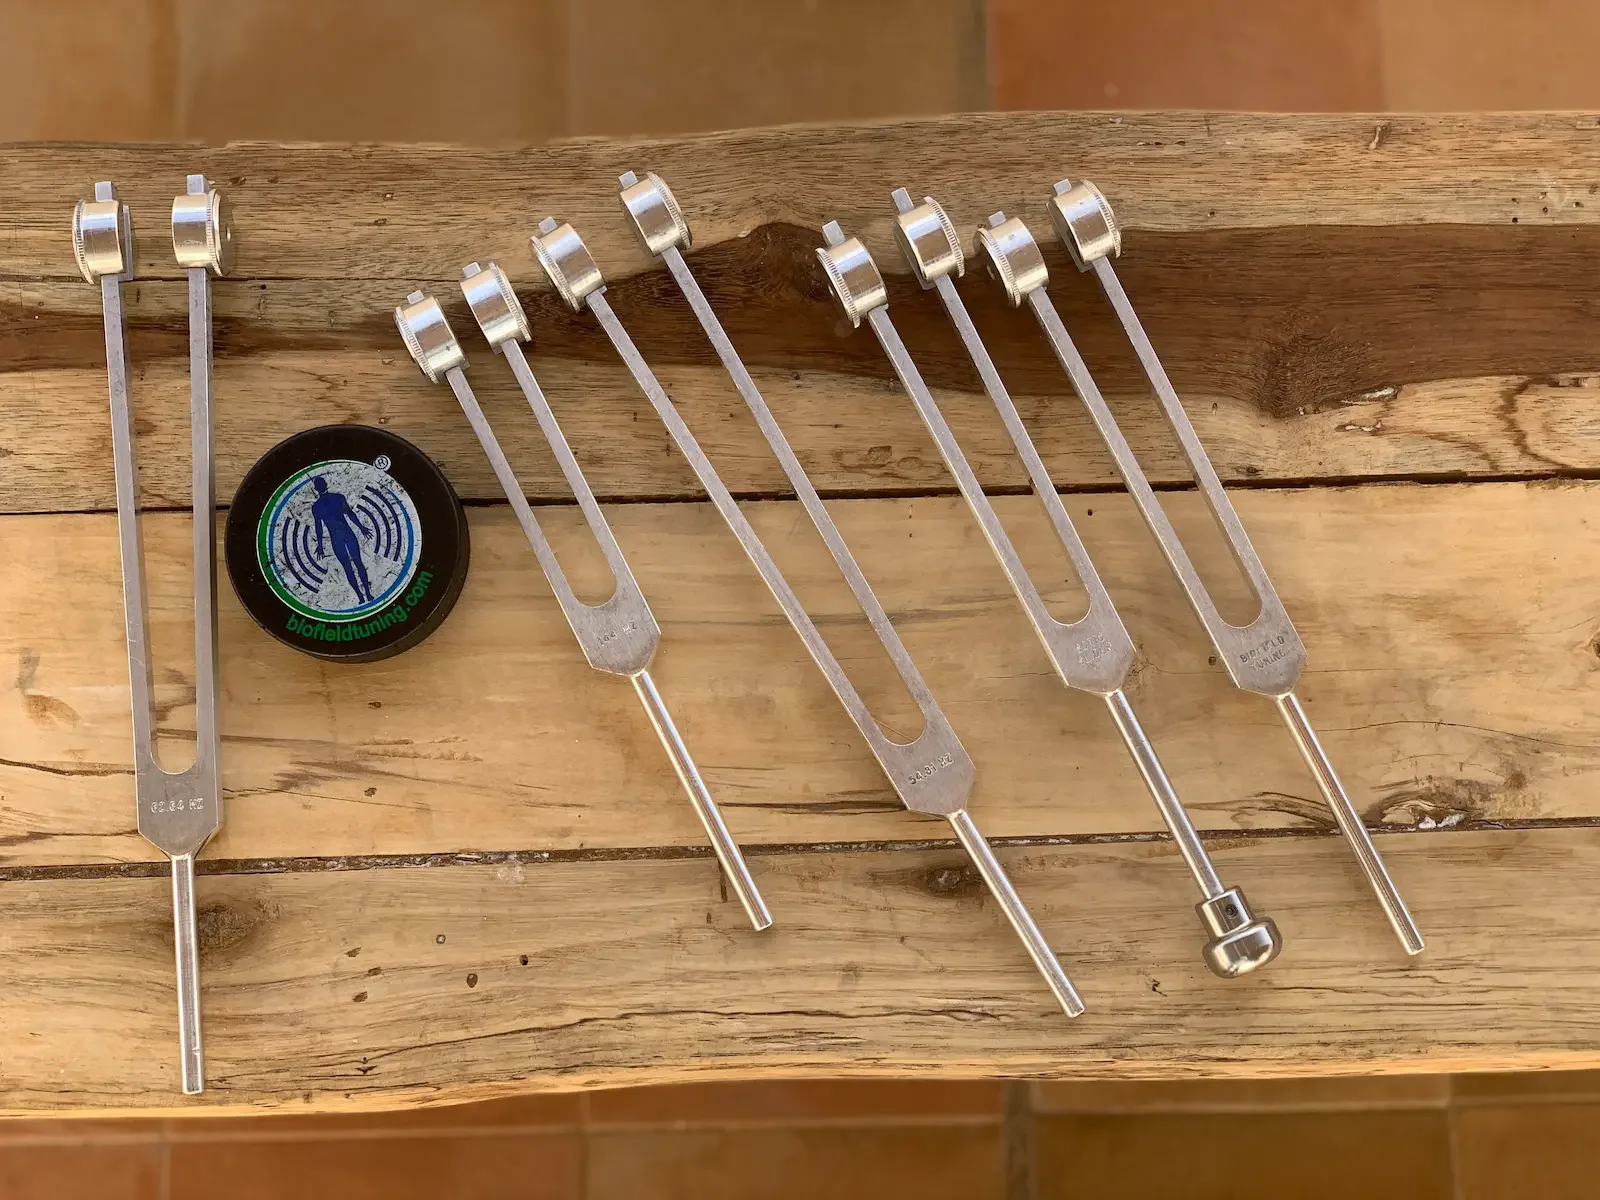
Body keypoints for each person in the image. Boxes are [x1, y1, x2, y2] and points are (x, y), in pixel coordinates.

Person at [310, 475, 374, 604]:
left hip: (337, 538)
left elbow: (319, 528)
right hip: (347, 534)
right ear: (326, 484)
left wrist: (320, 545)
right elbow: (350, 514)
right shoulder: (337, 498)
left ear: (316, 489)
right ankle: (366, 594)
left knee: (348, 567)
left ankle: (362, 596)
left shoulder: (317, 506)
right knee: (357, 564)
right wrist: (361, 528)